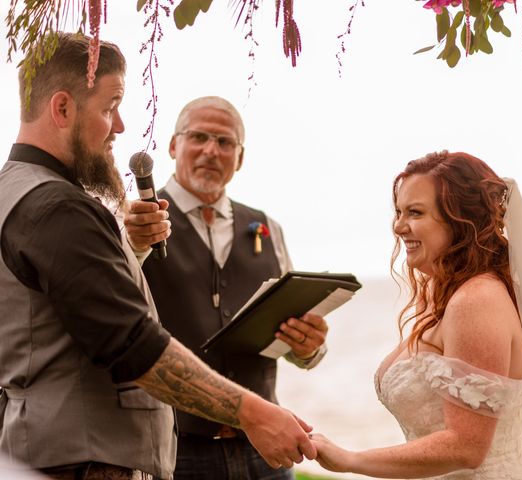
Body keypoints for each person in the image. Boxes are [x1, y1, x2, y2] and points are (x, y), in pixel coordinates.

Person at [0, 32, 316, 480]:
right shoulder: (60, 207)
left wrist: (305, 349)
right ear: (63, 108)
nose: (121, 126)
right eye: (110, 107)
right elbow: (129, 343)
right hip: (85, 461)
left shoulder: (13, 191)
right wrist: (253, 412)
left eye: (226, 143)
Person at [310, 151, 522, 479]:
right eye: (398, 212)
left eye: (415, 212)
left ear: (460, 218)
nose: (399, 226)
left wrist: (350, 459)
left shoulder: (476, 301)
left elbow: (466, 446)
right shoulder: (449, 296)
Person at [123, 95, 329, 480]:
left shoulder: (267, 227)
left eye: (225, 142)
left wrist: (307, 348)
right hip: (174, 448)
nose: (211, 151)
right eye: (198, 136)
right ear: (173, 145)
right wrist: (133, 242)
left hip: (264, 450)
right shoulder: (133, 220)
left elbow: (292, 336)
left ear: (240, 157)